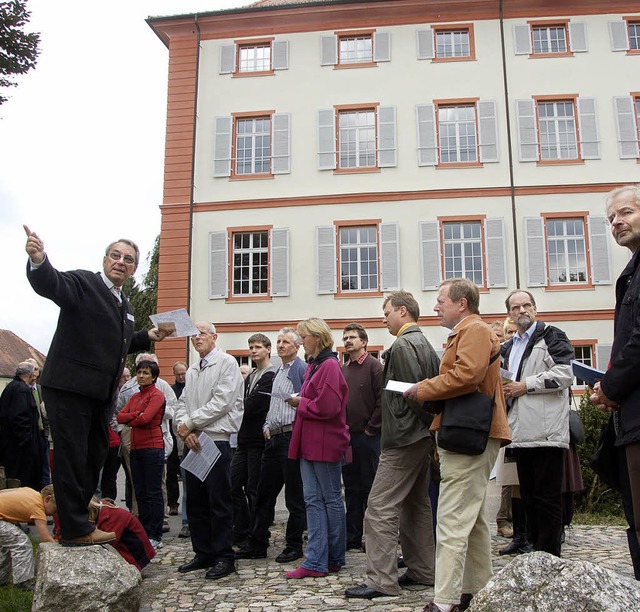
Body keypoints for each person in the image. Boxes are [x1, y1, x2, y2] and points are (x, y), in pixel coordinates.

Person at [24, 227, 167, 546]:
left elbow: (117, 342)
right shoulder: (84, 283)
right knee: (72, 455)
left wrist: (146, 337)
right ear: (105, 260)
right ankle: (74, 529)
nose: (121, 261)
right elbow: (53, 284)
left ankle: (81, 517)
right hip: (70, 387)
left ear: (134, 269)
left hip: (100, 396)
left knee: (95, 454)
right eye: (115, 255)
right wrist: (38, 261)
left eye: (128, 259)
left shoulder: (125, 304)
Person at [405, 278, 510, 612]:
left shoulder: (474, 330)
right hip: (470, 434)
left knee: (450, 521)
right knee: (474, 520)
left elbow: (467, 375)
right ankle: (475, 591)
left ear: (462, 303)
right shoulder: (468, 331)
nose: (435, 307)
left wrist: (423, 389)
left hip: (470, 436)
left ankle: (445, 600)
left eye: (441, 301)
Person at [346, 291, 439, 599]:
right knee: (415, 505)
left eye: (386, 312)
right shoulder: (425, 344)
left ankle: (381, 581)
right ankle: (423, 570)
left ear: (402, 311)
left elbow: (414, 394)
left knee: (379, 507)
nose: (383, 317)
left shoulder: (402, 345)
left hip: (404, 437)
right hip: (419, 437)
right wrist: (430, 431)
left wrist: (424, 425)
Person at [591, 184, 640, 579]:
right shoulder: (632, 270)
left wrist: (610, 387)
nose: (617, 222)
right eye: (611, 218)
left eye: (625, 212)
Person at [501, 289, 573, 558]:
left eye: (526, 305)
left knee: (547, 499)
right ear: (509, 313)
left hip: (546, 431)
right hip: (519, 432)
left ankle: (551, 557)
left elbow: (565, 375)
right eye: (516, 307)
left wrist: (526, 385)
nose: (522, 311)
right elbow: (507, 380)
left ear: (535, 308)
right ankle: (534, 557)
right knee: (528, 498)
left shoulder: (552, 335)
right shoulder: (508, 347)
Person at [175, 321, 243, 580]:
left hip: (216, 439)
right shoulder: (192, 370)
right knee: (196, 501)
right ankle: (203, 551)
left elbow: (222, 402)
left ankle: (224, 555)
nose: (196, 338)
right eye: (193, 334)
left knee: (219, 501)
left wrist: (190, 424)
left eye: (201, 333)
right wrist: (186, 428)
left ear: (214, 337)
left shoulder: (227, 363)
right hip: (193, 440)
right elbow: (182, 403)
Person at [285, 318, 349, 579]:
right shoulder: (318, 365)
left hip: (323, 442)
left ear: (317, 337)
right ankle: (325, 558)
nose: (300, 342)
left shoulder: (329, 366)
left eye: (303, 337)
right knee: (317, 500)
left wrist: (299, 402)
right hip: (312, 442)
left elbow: (328, 407)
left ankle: (323, 559)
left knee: (327, 500)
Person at [236, 327, 307, 563]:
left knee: (294, 496)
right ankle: (257, 543)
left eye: (286, 341)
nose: (281, 345)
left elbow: (304, 402)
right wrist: (267, 425)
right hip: (273, 437)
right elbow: (273, 404)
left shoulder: (299, 369)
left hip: (289, 436)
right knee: (263, 494)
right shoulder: (277, 372)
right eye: (278, 341)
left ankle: (294, 544)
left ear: (297, 346)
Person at [341, 322, 383, 551]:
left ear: (364, 342)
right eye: (345, 337)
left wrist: (371, 429)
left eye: (352, 337)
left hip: (368, 437)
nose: (348, 341)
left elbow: (382, 401)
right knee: (351, 487)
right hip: (348, 438)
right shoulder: (343, 368)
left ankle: (372, 537)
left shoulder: (374, 366)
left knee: (370, 487)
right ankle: (352, 536)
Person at [231, 334, 276, 546]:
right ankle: (242, 528)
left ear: (268, 349)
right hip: (244, 438)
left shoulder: (271, 375)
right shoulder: (251, 376)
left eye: (257, 347)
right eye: (250, 347)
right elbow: (242, 402)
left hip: (259, 439)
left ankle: (257, 534)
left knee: (254, 488)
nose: (253, 350)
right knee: (233, 483)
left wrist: (239, 406)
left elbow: (253, 405)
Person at [117, 360, 166, 550]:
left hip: (152, 447)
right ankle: (145, 531)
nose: (142, 376)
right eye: (139, 372)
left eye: (146, 373)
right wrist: (136, 415)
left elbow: (146, 418)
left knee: (153, 492)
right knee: (141, 492)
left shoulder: (157, 394)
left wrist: (134, 417)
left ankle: (156, 533)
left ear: (154, 376)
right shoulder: (136, 396)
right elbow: (120, 416)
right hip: (136, 447)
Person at [0, 485, 56, 591]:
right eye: (55, 509)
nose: (54, 514)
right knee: (21, 543)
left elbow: (9, 491)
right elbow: (45, 537)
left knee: (6, 547)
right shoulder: (38, 507)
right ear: (48, 499)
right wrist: (58, 548)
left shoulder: (32, 493)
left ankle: (1, 577)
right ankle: (23, 581)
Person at [0, 361, 44, 491]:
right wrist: (27, 441)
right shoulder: (21, 389)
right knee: (23, 480)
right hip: (21, 448)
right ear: (30, 375)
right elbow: (19, 417)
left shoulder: (13, 387)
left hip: (13, 445)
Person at [88, 497, 156, 571]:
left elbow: (108, 545)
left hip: (134, 558)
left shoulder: (112, 517)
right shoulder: (107, 511)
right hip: (131, 550)